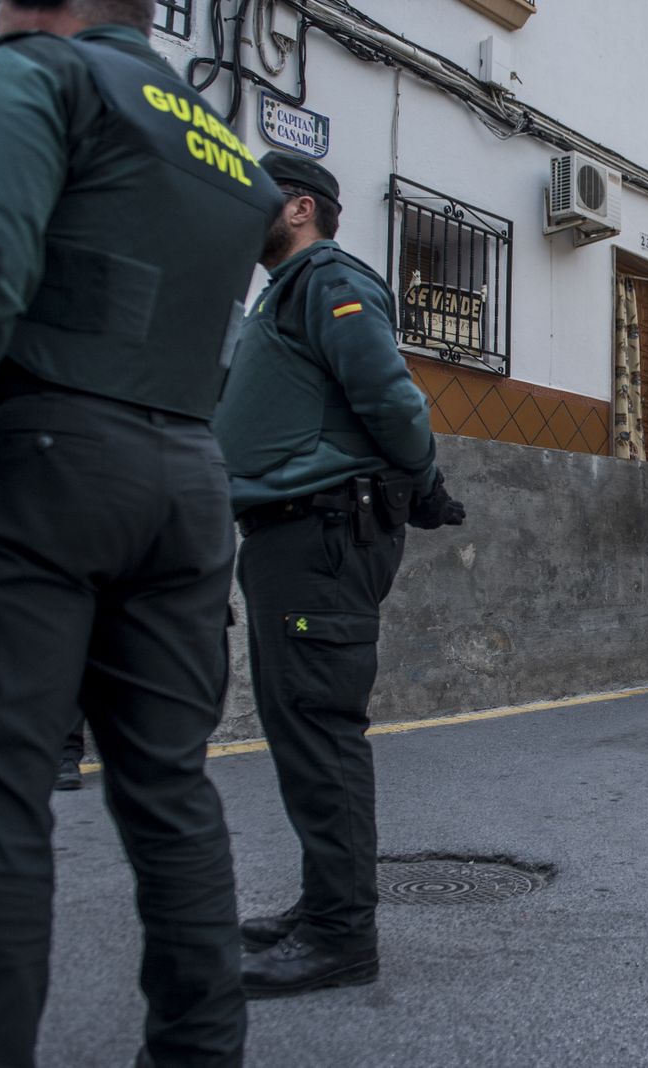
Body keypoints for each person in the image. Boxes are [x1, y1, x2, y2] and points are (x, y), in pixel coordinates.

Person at [0, 2, 282, 1065]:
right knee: (172, 794)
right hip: (186, 480)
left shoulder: (39, 74)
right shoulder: (222, 145)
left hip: (35, 470)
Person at [214, 153, 464, 998]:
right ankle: (323, 907)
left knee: (319, 729)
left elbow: (392, 398)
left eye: (253, 195)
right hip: (289, 534)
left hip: (322, 534)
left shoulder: (329, 277)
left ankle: (340, 936)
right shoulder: (285, 292)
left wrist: (423, 481)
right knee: (299, 729)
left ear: (298, 207)